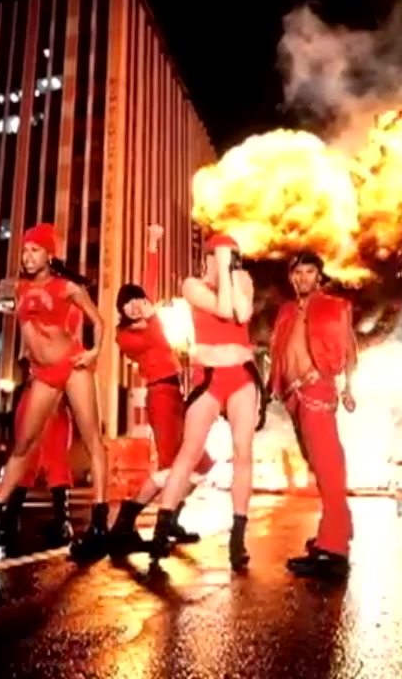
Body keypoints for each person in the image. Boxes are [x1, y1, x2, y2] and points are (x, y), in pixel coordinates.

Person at [0, 224, 110, 561]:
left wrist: (94, 352)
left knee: (92, 439)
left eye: (35, 250)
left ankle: (99, 523)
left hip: (73, 365)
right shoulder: (19, 288)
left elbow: (98, 321)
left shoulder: (67, 287)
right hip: (43, 374)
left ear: (50, 255)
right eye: (25, 250)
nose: (28, 256)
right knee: (23, 444)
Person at [147, 233, 260, 571]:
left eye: (234, 255)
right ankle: (162, 528)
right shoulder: (192, 285)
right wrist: (222, 268)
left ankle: (238, 537)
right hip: (208, 377)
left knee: (243, 452)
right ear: (208, 257)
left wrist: (231, 272)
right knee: (190, 451)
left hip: (241, 375)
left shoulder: (242, 279)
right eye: (222, 254)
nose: (229, 259)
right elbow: (223, 309)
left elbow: (241, 313)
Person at [106, 224, 214, 555]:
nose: (136, 305)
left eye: (138, 299)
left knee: (201, 463)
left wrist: (152, 243)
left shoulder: (148, 312)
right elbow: (149, 338)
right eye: (128, 304)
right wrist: (151, 317)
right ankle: (127, 522)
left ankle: (173, 518)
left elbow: (149, 278)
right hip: (160, 397)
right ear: (121, 310)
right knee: (171, 466)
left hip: (176, 395)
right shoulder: (125, 335)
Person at [269, 251, 358, 579]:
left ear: (319, 276)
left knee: (328, 464)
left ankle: (334, 550)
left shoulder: (334, 306)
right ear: (291, 277)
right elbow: (279, 351)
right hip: (294, 396)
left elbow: (349, 348)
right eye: (298, 272)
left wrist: (348, 388)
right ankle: (336, 531)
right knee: (318, 466)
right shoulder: (287, 310)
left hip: (317, 388)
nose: (303, 277)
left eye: (309, 272)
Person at [1, 302, 85, 547]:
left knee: (52, 459)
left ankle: (60, 521)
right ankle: (12, 517)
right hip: (35, 397)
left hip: (51, 401)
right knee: (27, 458)